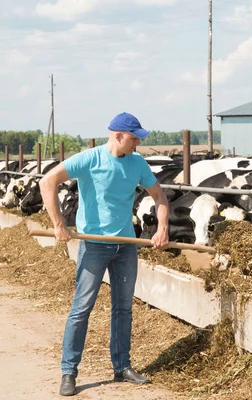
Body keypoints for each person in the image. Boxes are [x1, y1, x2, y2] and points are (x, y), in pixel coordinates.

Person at [40, 112, 169, 397]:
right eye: (135, 138)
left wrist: (162, 229)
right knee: (81, 309)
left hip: (126, 245)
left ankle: (122, 366)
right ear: (118, 136)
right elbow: (47, 182)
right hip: (94, 245)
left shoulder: (137, 163)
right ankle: (69, 371)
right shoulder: (90, 159)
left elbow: (159, 196)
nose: (138, 143)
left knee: (123, 308)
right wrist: (59, 224)